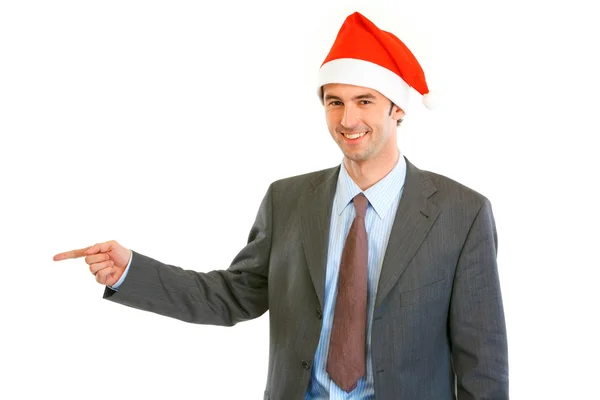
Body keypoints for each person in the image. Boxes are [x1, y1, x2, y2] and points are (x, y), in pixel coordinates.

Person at [53, 11, 508, 400]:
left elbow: (481, 360)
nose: (348, 120)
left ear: (398, 109)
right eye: (335, 102)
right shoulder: (288, 200)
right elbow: (232, 296)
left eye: (364, 101)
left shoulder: (461, 213)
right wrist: (131, 270)